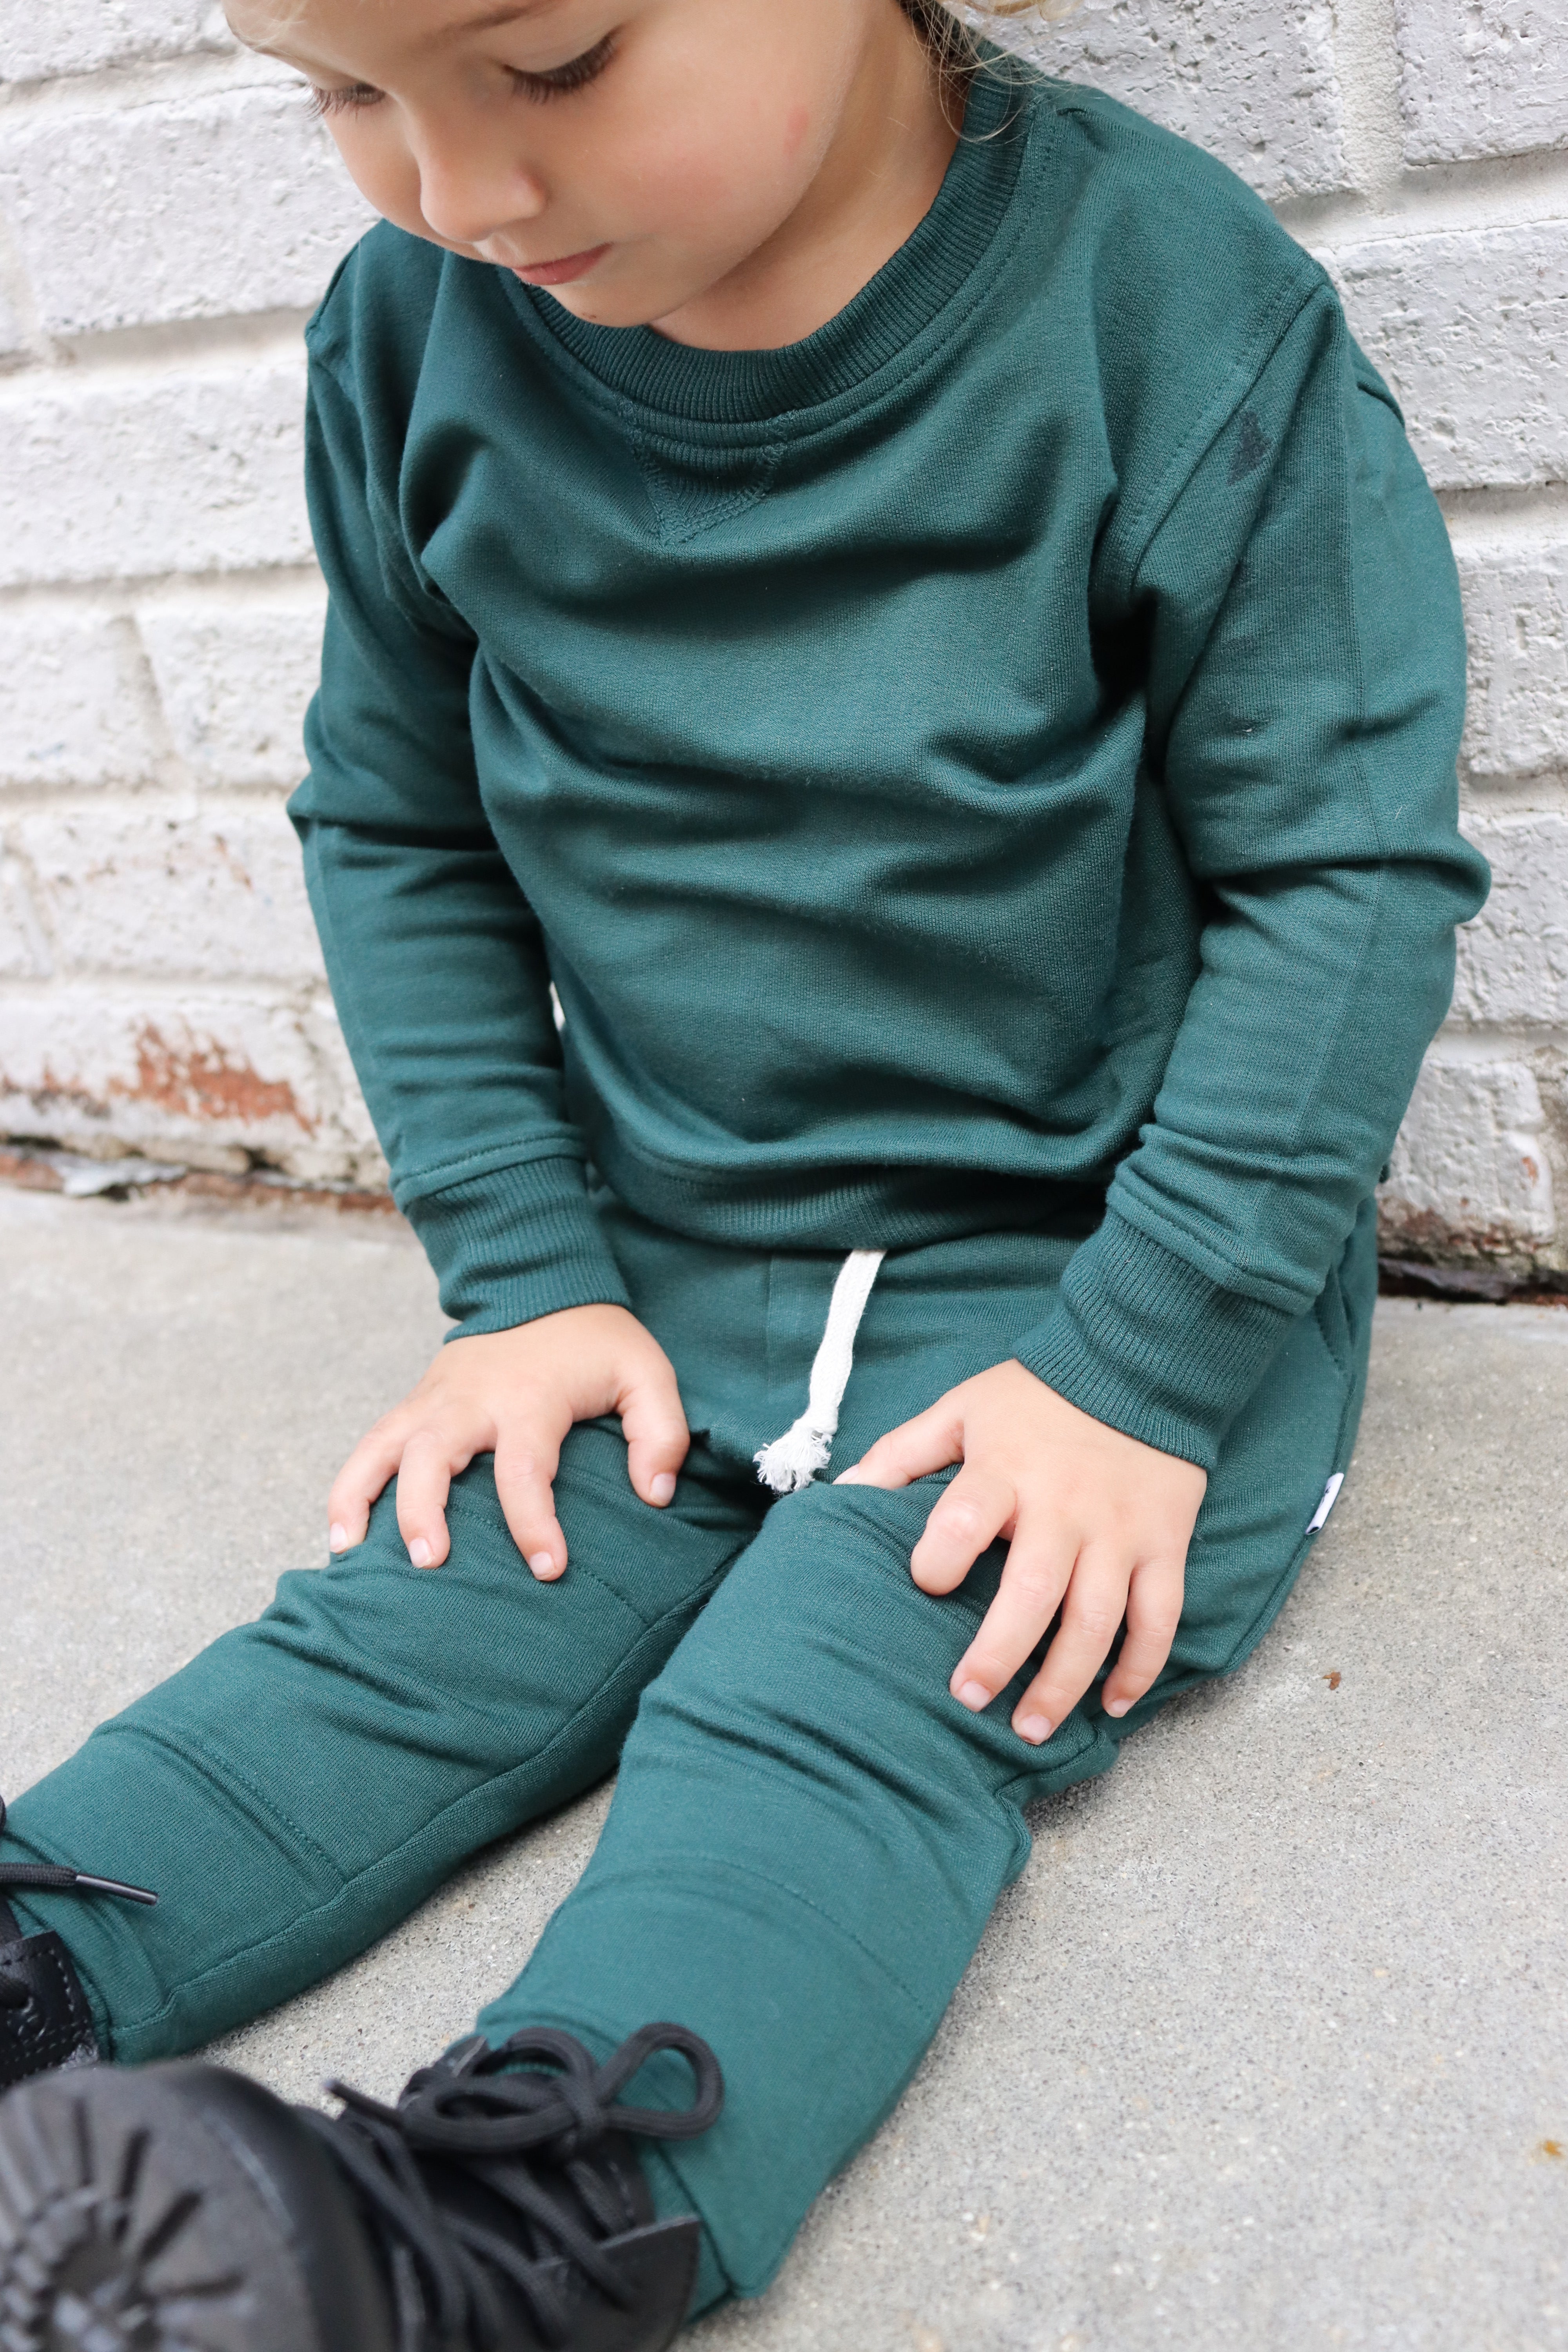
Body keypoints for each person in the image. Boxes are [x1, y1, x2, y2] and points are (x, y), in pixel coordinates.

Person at [0, 0, 1488, 2344]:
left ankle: (502, 2242)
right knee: (420, 1614)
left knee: (832, 1699)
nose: (459, 191)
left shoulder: (1167, 313)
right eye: (346, 95)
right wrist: (523, 1277)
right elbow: (397, 821)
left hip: (1077, 1313)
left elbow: (1349, 878)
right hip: (662, 1269)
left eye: (554, 63)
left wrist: (1144, 1373)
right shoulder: (414, 333)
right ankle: (36, 1963)